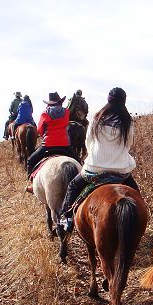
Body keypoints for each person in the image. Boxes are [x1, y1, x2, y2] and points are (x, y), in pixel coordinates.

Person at [58, 87, 139, 232]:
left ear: (108, 100)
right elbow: (128, 145)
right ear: (124, 101)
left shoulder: (96, 118)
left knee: (73, 186)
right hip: (120, 171)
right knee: (137, 194)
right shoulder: (128, 121)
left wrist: (94, 155)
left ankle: (66, 219)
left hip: (94, 169)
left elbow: (88, 142)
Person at [25, 92, 81, 189]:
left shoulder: (44, 113)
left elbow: (40, 129)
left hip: (48, 144)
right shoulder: (66, 112)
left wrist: (44, 135)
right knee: (78, 161)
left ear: (49, 103)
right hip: (65, 144)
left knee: (31, 160)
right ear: (60, 102)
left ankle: (31, 184)